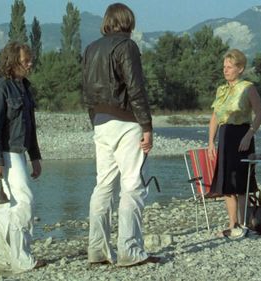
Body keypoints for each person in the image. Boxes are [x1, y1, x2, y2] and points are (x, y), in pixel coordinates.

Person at [82, 3, 158, 267]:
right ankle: (129, 249)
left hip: (100, 121)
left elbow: (86, 91)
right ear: (128, 21)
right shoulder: (127, 47)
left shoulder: (91, 48)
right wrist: (146, 126)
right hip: (126, 121)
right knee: (132, 184)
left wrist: (96, 120)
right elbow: (135, 89)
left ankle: (97, 249)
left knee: (103, 185)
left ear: (107, 21)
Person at [0, 41, 46, 273]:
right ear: (12, 62)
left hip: (20, 152)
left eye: (30, 60)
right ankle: (21, 260)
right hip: (7, 154)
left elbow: (30, 126)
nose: (30, 64)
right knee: (23, 202)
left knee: (4, 207)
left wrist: (36, 157)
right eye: (25, 60)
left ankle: (2, 260)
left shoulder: (24, 88)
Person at [208, 48, 261, 237]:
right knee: (226, 183)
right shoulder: (221, 90)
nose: (225, 70)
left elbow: (260, 114)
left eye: (230, 67)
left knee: (240, 182)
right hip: (225, 135)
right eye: (224, 67)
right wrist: (211, 143)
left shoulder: (248, 87)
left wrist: (249, 135)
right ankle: (232, 224)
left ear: (240, 68)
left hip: (242, 134)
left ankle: (242, 223)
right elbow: (215, 117)